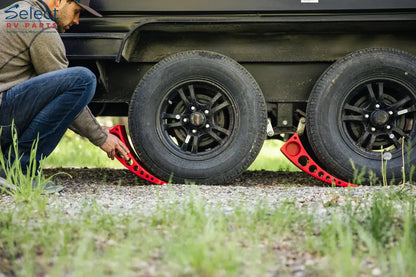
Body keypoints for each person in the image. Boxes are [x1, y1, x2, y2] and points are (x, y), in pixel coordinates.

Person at [0, 0, 130, 193]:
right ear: (59, 1)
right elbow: (69, 92)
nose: (77, 21)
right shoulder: (40, 27)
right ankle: (19, 170)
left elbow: (55, 104)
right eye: (76, 12)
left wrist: (95, 129)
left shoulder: (16, 13)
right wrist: (101, 138)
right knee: (82, 80)